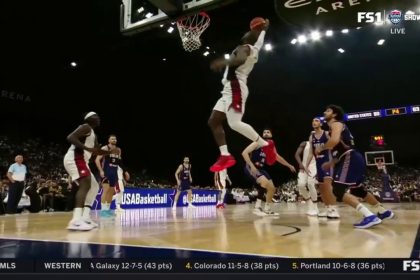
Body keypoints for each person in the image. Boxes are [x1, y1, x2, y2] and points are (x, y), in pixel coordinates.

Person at [208, 18, 276, 172]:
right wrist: (264, 29)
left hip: (235, 87)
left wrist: (223, 63)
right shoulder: (255, 47)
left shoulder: (245, 47)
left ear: (252, 35)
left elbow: (239, 59)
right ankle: (225, 155)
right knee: (213, 121)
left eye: (250, 31)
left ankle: (265, 145)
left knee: (234, 124)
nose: (246, 32)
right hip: (228, 89)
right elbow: (260, 41)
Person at [316, 105, 394, 229]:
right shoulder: (336, 127)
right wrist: (331, 163)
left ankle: (369, 216)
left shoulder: (336, 124)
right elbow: (341, 147)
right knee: (357, 190)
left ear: (335, 115)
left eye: (328, 110)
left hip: (350, 158)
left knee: (337, 190)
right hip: (352, 157)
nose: (325, 112)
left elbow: (334, 141)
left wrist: (321, 148)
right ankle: (383, 211)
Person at [64, 112, 114, 230]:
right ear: (89, 119)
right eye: (96, 116)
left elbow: (96, 151)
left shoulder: (93, 134)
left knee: (95, 186)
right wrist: (86, 148)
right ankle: (76, 220)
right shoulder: (85, 126)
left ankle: (85, 217)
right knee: (85, 184)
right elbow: (70, 137)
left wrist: (110, 152)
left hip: (82, 161)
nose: (99, 118)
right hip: (75, 158)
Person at [242, 129, 296, 215]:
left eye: (268, 132)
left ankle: (267, 208)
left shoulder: (271, 145)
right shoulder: (257, 142)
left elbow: (277, 157)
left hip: (261, 169)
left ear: (271, 135)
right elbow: (244, 153)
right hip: (251, 167)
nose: (266, 133)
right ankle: (257, 208)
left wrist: (289, 165)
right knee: (265, 182)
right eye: (264, 132)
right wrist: (251, 166)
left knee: (272, 188)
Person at [305, 118, 340, 219]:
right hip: (318, 163)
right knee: (322, 188)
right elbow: (311, 152)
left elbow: (333, 145)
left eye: (316, 121)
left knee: (327, 185)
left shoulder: (326, 133)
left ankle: (334, 209)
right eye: (312, 121)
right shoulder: (311, 136)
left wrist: (334, 159)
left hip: (327, 161)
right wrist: (306, 165)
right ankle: (327, 208)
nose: (314, 123)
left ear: (320, 123)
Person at [95, 134, 130, 217]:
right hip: (106, 172)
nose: (114, 140)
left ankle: (107, 210)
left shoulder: (118, 150)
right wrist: (100, 171)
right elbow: (97, 160)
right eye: (112, 139)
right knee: (106, 189)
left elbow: (119, 162)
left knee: (111, 191)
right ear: (109, 140)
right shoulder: (105, 148)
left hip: (114, 173)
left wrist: (125, 171)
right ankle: (103, 211)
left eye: (115, 139)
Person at [294, 141, 319, 216]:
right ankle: (309, 202)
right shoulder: (305, 143)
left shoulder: (319, 144)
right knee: (300, 185)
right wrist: (300, 164)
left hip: (313, 166)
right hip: (303, 166)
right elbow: (297, 154)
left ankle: (315, 207)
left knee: (310, 184)